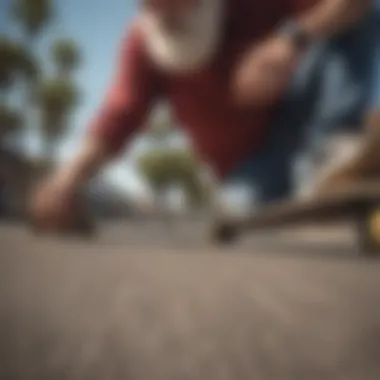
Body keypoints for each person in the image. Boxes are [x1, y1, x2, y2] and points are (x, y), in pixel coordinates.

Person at [30, 0, 371, 231]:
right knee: (243, 211)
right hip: (247, 167)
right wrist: (65, 181)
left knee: (357, 19)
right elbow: (119, 115)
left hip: (293, 120)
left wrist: (290, 39)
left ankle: (336, 149)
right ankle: (304, 186)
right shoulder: (143, 43)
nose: (167, 15)